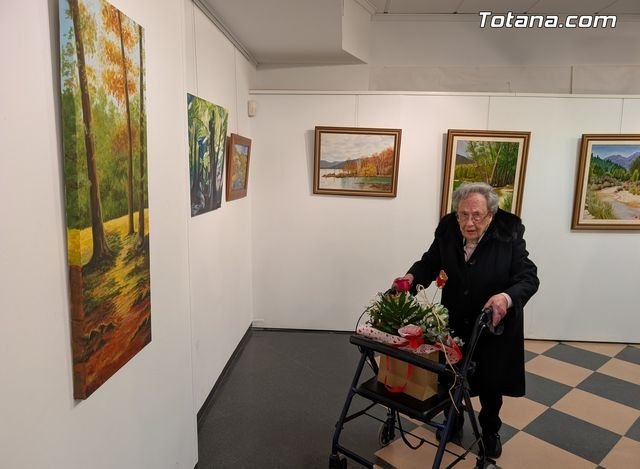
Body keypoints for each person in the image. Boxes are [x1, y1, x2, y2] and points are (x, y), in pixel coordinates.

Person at [395, 182, 539, 459]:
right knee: (451, 375)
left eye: (476, 215)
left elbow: (528, 277)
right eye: (463, 214)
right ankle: (454, 419)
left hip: (492, 324)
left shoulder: (508, 234)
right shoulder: (448, 230)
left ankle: (490, 430)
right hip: (455, 318)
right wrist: (411, 278)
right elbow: (429, 263)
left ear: (490, 215)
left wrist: (505, 298)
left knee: (490, 383)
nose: (469, 223)